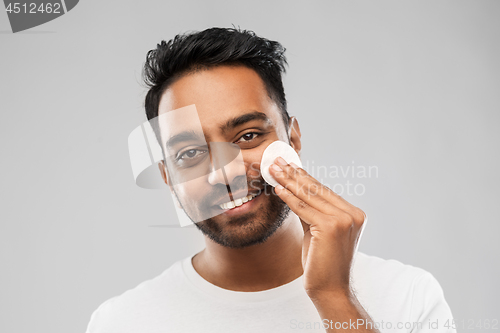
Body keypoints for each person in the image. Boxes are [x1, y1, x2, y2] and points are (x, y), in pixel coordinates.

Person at [86, 27, 455, 332]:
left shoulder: (409, 297)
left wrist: (334, 296)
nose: (225, 172)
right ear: (169, 177)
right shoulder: (121, 322)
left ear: (292, 139)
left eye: (248, 136)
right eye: (190, 153)